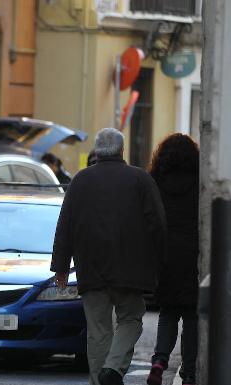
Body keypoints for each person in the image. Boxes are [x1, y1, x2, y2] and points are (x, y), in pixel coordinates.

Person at [51, 128, 166, 385]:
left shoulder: (80, 181)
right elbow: (157, 225)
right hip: (132, 269)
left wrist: (60, 267)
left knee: (98, 331)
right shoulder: (141, 180)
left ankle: (100, 378)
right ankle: (112, 369)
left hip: (91, 268)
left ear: (98, 150)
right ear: (122, 150)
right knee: (131, 319)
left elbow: (65, 225)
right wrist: (160, 263)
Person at [146, 134, 199, 385]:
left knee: (167, 314)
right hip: (193, 255)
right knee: (191, 317)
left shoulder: (155, 180)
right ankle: (189, 372)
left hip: (165, 255)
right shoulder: (200, 181)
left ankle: (159, 361)